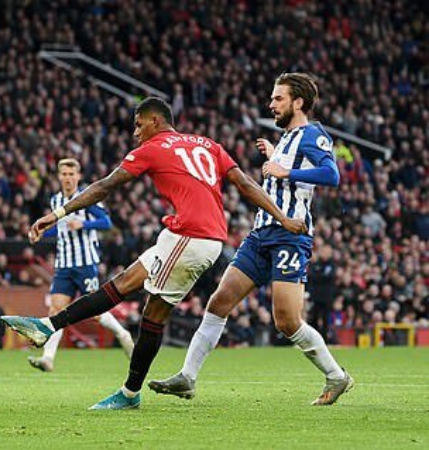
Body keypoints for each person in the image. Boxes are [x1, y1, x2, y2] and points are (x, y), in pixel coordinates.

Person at [2, 97, 306, 410]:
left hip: (190, 235)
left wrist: (59, 213)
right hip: (196, 237)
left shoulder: (153, 147)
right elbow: (244, 183)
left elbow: (106, 185)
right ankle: (120, 385)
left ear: (155, 122)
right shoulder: (207, 144)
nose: (135, 133)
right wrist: (282, 217)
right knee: (140, 299)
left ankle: (52, 329)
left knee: (130, 293)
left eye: (138, 124)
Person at [150, 73, 353, 406]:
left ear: (298, 102)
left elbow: (331, 174)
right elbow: (284, 170)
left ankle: (336, 376)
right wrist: (277, 159)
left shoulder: (313, 134)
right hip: (261, 234)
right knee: (219, 302)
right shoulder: (287, 138)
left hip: (290, 237)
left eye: (278, 98)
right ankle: (187, 377)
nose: (270, 104)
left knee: (287, 320)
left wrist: (287, 172)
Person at [27, 158, 134, 372]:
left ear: (78, 176)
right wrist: (42, 233)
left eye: (71, 174)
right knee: (55, 309)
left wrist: (84, 223)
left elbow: (106, 223)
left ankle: (123, 334)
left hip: (85, 263)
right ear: (59, 177)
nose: (67, 178)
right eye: (64, 174)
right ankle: (48, 358)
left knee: (95, 311)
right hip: (64, 264)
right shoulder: (56, 201)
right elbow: (61, 229)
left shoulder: (87, 198)